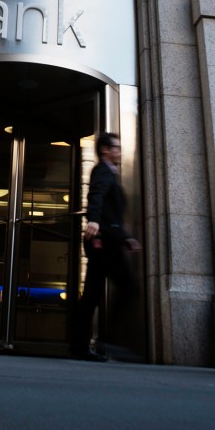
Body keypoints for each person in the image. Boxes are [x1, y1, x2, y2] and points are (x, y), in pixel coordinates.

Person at [70, 132, 141, 362]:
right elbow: (96, 195)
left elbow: (112, 214)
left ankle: (81, 346)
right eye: (116, 148)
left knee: (91, 294)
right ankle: (109, 338)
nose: (119, 151)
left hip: (108, 240)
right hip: (103, 242)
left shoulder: (110, 173)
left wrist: (125, 238)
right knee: (128, 287)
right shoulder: (102, 170)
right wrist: (93, 219)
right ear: (105, 151)